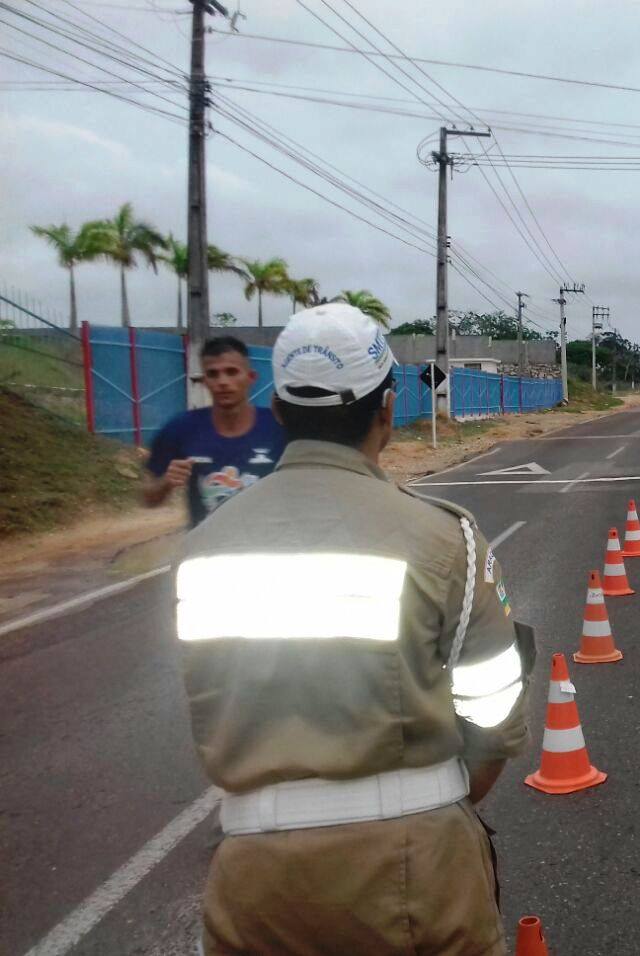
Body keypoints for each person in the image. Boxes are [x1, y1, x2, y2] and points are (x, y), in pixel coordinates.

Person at [176, 304, 532, 955]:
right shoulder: (445, 538)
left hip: (253, 879)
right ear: (388, 411)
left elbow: (211, 701)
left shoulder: (204, 546)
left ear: (278, 411)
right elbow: (495, 713)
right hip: (415, 865)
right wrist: (433, 802)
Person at [143, 336, 286, 528]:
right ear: (204, 381)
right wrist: (166, 482)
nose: (223, 382)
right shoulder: (180, 429)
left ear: (251, 377)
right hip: (204, 551)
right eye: (213, 374)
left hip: (266, 548)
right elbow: (148, 498)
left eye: (231, 372)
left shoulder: (279, 428)